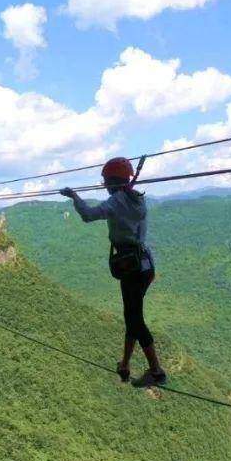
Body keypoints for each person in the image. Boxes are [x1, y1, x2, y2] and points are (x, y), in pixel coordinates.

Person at [60, 157, 166, 388]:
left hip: (131, 266)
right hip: (144, 263)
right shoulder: (137, 199)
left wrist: (74, 196)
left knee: (135, 319)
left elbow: (88, 215)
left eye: (106, 182)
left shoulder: (118, 201)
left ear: (111, 181)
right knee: (132, 315)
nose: (105, 187)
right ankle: (125, 364)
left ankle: (156, 371)